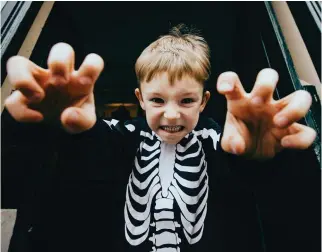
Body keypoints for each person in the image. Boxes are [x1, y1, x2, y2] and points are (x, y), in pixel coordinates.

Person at [4, 24, 316, 252]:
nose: (170, 115)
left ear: (204, 101)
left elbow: (256, 187)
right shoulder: (120, 137)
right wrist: (61, 130)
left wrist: (265, 161)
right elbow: (86, 157)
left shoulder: (219, 141)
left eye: (186, 101)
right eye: (157, 100)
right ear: (139, 99)